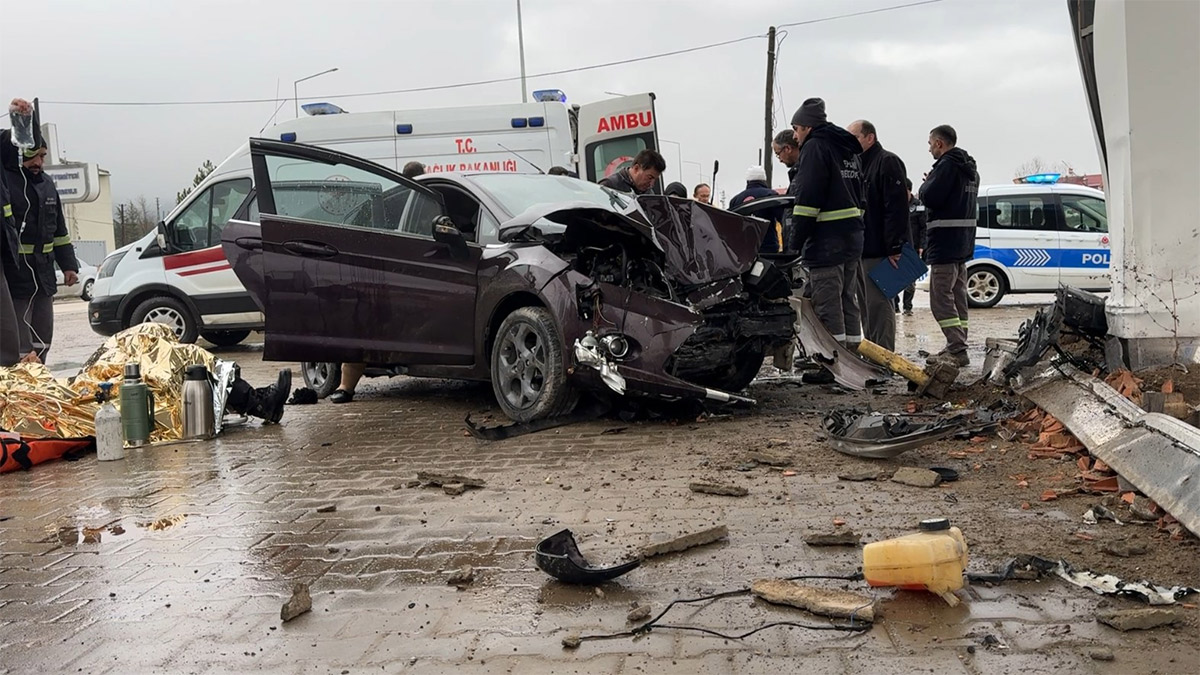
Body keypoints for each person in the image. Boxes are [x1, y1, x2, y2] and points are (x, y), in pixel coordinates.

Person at [1, 99, 78, 364]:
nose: (39, 161)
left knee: (43, 337)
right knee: (19, 344)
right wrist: (22, 121)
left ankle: (40, 380)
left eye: (43, 156)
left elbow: (60, 231)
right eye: (35, 155)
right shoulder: (8, 181)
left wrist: (69, 265)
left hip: (43, 274)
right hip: (17, 275)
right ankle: (20, 388)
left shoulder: (47, 185)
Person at [789, 98, 865, 348]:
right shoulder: (848, 150)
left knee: (827, 305)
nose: (795, 136)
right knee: (847, 300)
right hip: (852, 240)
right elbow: (861, 197)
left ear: (807, 128)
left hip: (826, 243)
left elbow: (807, 201)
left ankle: (831, 363)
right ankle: (853, 356)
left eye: (796, 129)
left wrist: (795, 244)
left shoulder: (815, 147)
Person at [919, 124, 979, 367]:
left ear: (939, 143)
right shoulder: (970, 169)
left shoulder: (946, 166)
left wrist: (927, 184)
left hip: (944, 243)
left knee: (940, 298)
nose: (930, 149)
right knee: (958, 294)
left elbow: (930, 196)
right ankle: (958, 343)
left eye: (931, 144)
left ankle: (956, 347)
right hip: (962, 243)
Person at [848, 119, 908, 351]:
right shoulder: (860, 165)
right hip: (864, 248)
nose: (850, 142)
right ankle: (872, 354)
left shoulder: (887, 162)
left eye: (855, 137)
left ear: (869, 137)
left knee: (880, 305)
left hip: (883, 250)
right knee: (866, 306)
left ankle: (883, 356)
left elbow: (896, 208)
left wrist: (895, 247)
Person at [729, 166, 784, 253]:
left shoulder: (736, 200)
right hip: (767, 248)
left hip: (743, 250)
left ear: (748, 181)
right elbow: (783, 219)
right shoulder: (770, 195)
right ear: (763, 180)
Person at [901, 177, 927, 316]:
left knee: (910, 282)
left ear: (909, 190)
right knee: (893, 280)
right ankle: (894, 307)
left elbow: (924, 228)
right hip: (897, 247)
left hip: (914, 248)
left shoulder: (919, 206)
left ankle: (907, 307)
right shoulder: (895, 204)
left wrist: (922, 246)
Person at [597, 149, 665, 195]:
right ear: (636, 168)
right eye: (650, 177)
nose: (651, 184)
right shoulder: (609, 186)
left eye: (655, 180)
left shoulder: (649, 194)